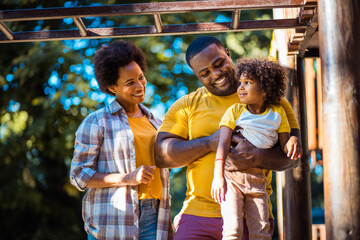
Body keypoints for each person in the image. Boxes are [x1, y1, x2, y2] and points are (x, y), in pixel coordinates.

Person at [154, 36, 302, 240]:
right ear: (197, 76)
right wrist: (209, 142)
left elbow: (293, 158)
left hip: (252, 215)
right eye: (204, 73)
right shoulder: (186, 105)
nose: (215, 74)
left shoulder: (272, 100)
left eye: (219, 63)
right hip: (198, 216)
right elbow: (162, 155)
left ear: (228, 54)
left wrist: (257, 156)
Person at [69, 41, 171, 240]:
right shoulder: (96, 122)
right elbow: (79, 175)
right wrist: (127, 178)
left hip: (155, 214)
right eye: (129, 82)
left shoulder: (158, 122)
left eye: (141, 77)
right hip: (112, 216)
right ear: (112, 87)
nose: (140, 85)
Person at [211, 58, 299, 239]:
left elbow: (285, 147)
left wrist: (292, 141)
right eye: (240, 83)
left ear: (265, 89)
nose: (240, 88)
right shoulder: (235, 111)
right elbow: (223, 144)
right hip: (231, 178)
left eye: (247, 83)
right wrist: (218, 176)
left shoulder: (277, 113)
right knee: (232, 229)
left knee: (261, 232)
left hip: (258, 180)